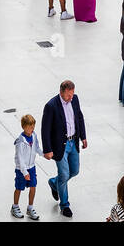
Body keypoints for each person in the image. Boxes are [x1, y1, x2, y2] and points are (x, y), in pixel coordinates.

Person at [41, 80, 88, 218]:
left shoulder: (75, 99)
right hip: (59, 145)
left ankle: (54, 183)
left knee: (74, 171)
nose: (71, 97)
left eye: (73, 94)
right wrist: (47, 149)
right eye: (69, 95)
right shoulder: (51, 106)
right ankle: (65, 205)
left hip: (73, 141)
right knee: (64, 174)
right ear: (62, 92)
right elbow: (45, 129)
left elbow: (79, 117)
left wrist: (83, 137)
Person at [12, 114, 42, 220]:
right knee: (19, 188)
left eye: (33, 126)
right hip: (21, 169)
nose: (32, 129)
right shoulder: (20, 141)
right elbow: (20, 158)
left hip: (32, 167)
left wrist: (44, 154)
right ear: (24, 127)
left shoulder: (34, 135)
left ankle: (30, 207)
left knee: (33, 186)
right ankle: (15, 206)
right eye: (30, 127)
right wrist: (25, 173)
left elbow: (37, 147)